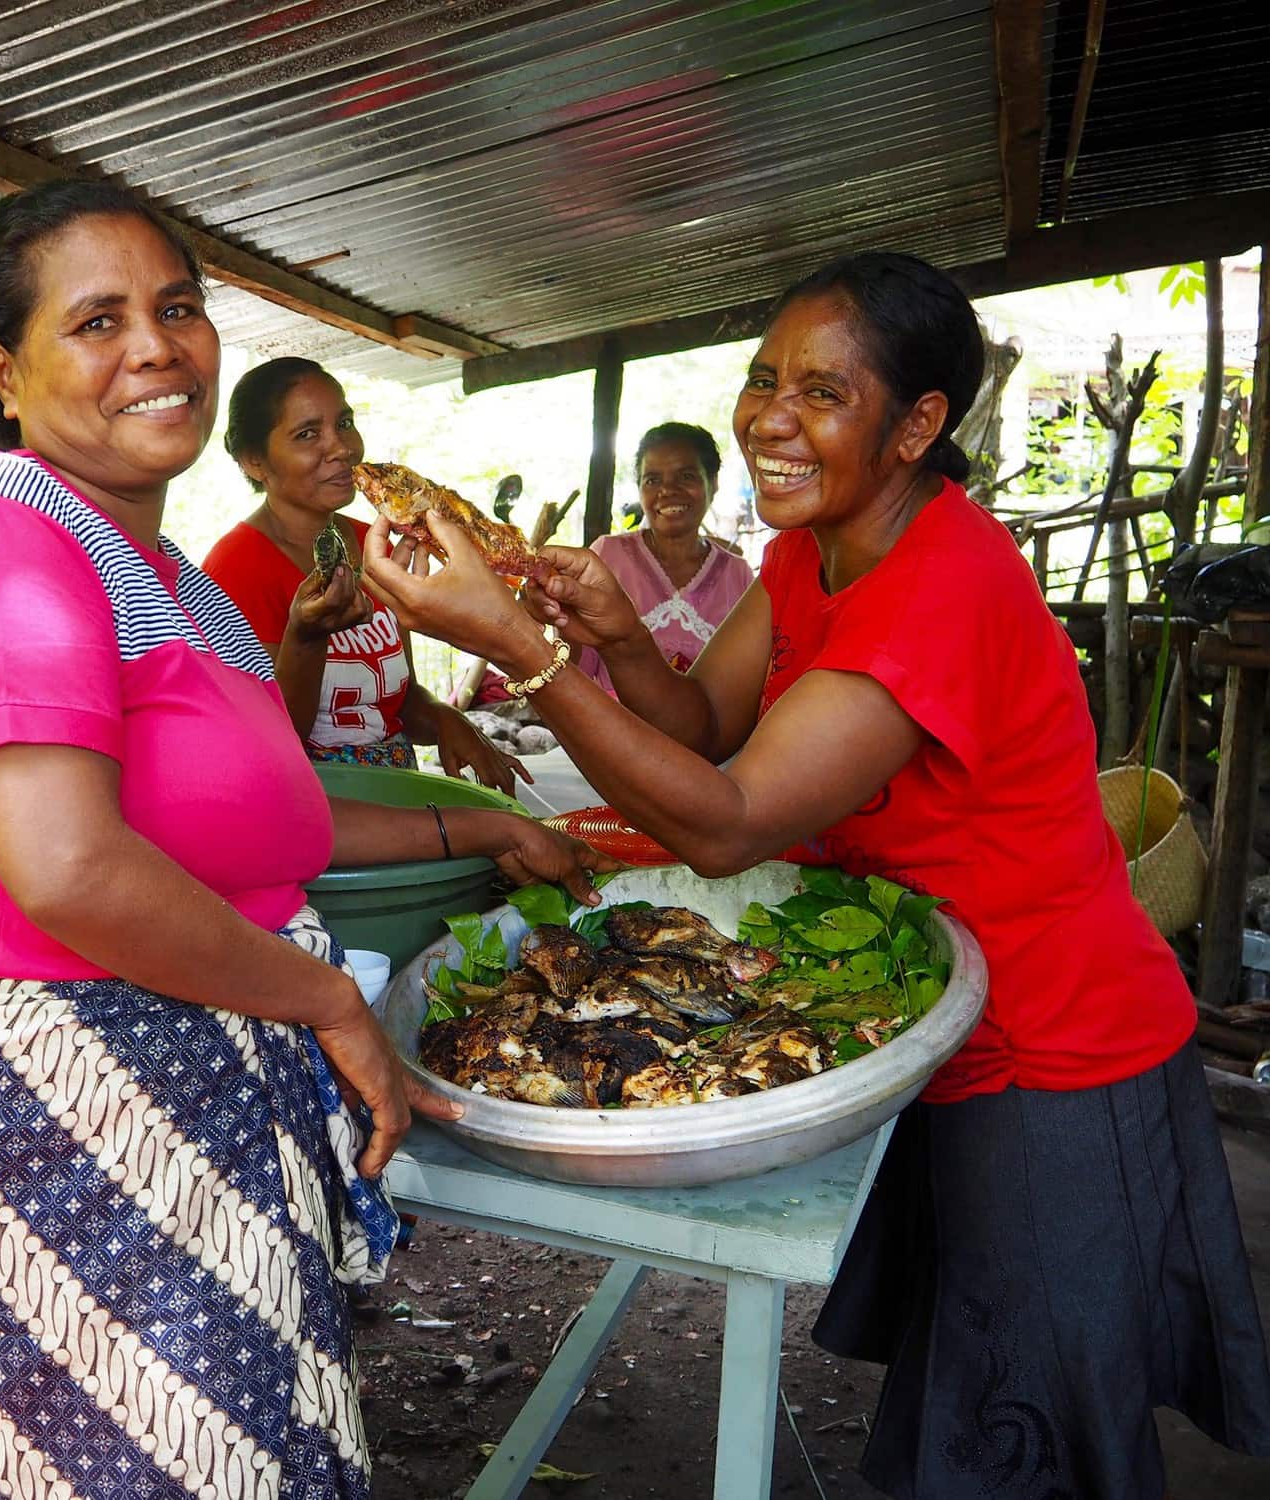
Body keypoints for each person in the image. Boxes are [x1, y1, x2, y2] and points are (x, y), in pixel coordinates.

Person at [359, 250, 1270, 1499]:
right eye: (760, 380)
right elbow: (698, 733)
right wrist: (614, 635)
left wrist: (519, 652)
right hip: (939, 1019)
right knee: (976, 1376)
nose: (768, 420)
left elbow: (724, 826)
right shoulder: (808, 553)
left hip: (1056, 1040)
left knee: (1031, 1411)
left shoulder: (940, 588)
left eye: (821, 395)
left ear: (916, 426)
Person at [0, 178, 598, 1500]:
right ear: (6, 367)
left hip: (207, 1064)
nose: (156, 345)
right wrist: (329, 1001)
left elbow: (281, 828)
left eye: (177, 309)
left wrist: (486, 827)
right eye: (96, 321)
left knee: (246, 1455)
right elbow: (71, 869)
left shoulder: (178, 587)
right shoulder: (1, 525)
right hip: (79, 1088)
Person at [202, 356, 525, 790]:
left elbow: (402, 700)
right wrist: (309, 637)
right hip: (315, 807)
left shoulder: (373, 542)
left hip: (400, 788)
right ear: (254, 461)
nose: (342, 448)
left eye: (345, 422)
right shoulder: (234, 568)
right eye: (307, 434)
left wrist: (449, 720)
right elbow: (269, 743)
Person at [573, 422, 752, 692]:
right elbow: (579, 669)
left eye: (686, 476)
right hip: (611, 728)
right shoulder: (606, 556)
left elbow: (743, 683)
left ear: (713, 484)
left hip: (704, 733)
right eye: (652, 480)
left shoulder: (737, 575)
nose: (667, 490)